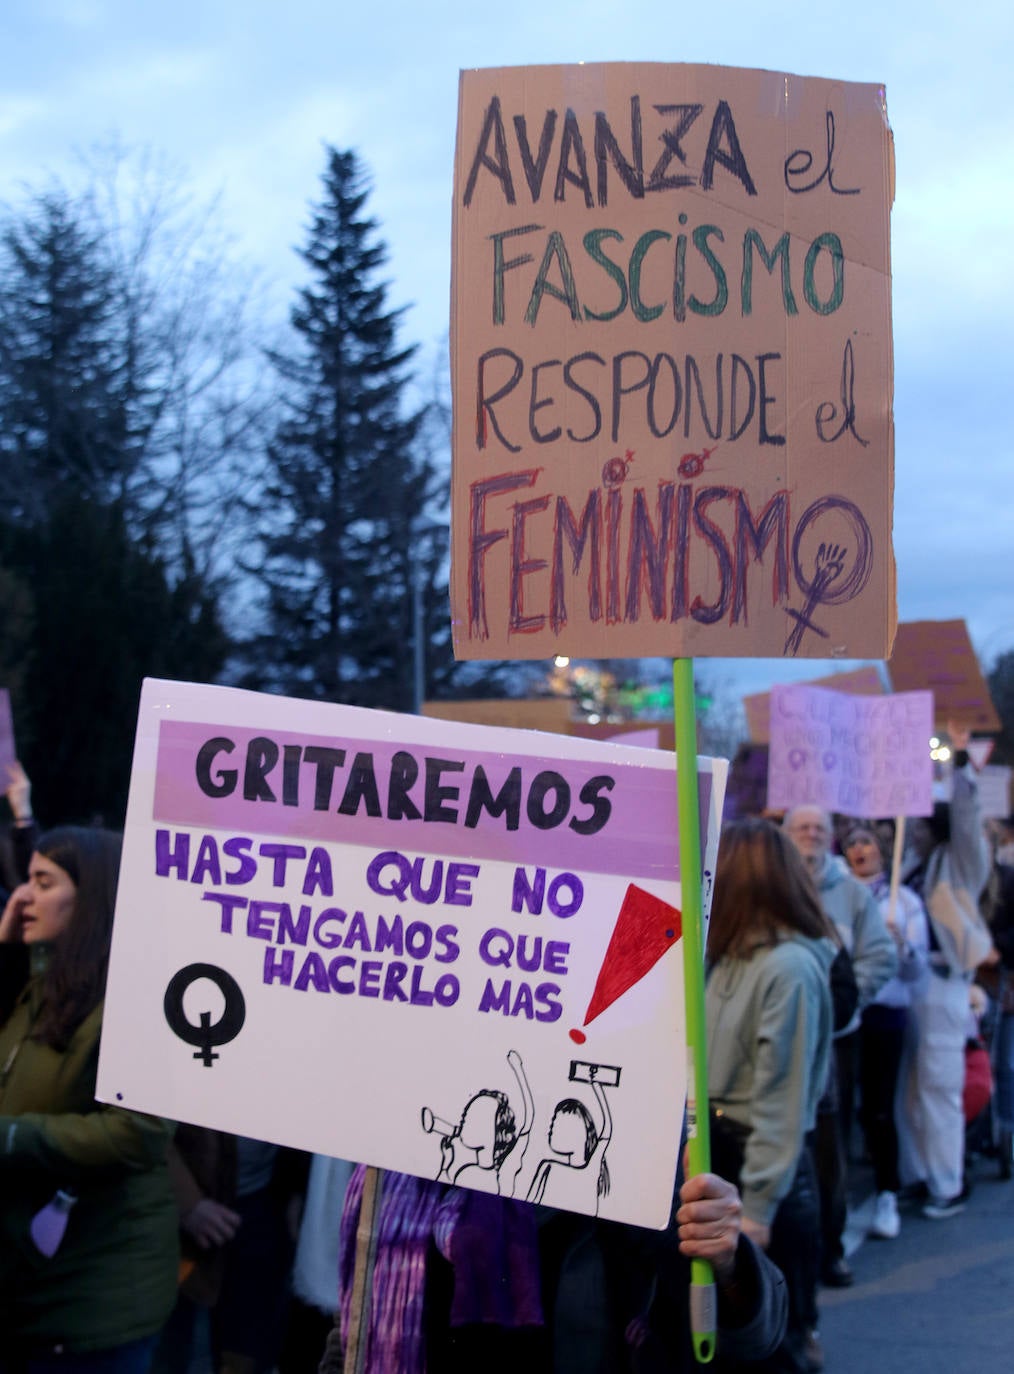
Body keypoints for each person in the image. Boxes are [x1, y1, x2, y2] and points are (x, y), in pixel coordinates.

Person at [329, 1159, 787, 1373]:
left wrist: (727, 1262)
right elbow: (355, 1324)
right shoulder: (393, 1159)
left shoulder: (626, 1151)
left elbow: (754, 1337)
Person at [0, 826, 178, 1372]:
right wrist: (3, 953)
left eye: (42, 882)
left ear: (94, 895)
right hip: (37, 1291)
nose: (21, 895)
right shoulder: (40, 987)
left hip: (93, 1303)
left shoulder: (133, 999)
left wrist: (12, 1135)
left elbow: (142, 1131)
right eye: (25, 880)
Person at [706, 817, 836, 1374]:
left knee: (771, 1350)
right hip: (724, 1154)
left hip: (762, 1171)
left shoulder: (788, 968)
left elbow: (780, 1099)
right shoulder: (730, 957)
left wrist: (758, 1207)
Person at [783, 805, 895, 1288]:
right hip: (778, 1040)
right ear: (785, 836)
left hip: (832, 1045)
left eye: (819, 829)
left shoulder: (850, 893)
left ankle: (831, 1248)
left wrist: (843, 1007)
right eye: (802, 828)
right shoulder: (771, 887)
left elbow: (879, 957)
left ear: (831, 839)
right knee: (780, 1142)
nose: (810, 835)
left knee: (828, 1150)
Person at [899, 724, 994, 1218]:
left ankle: (948, 1183)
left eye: (919, 823)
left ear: (935, 829)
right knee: (910, 1091)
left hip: (943, 983)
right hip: (909, 985)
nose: (911, 828)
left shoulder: (959, 865)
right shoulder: (910, 861)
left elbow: (967, 817)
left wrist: (957, 763)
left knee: (938, 1085)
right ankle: (918, 1174)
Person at [842, 825, 929, 1240]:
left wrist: (902, 946)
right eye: (852, 843)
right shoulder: (835, 895)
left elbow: (917, 973)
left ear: (881, 850)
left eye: (866, 842)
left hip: (885, 1016)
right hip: (843, 1017)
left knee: (878, 1107)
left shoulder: (905, 902)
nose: (859, 849)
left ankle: (886, 1192)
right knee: (839, 1112)